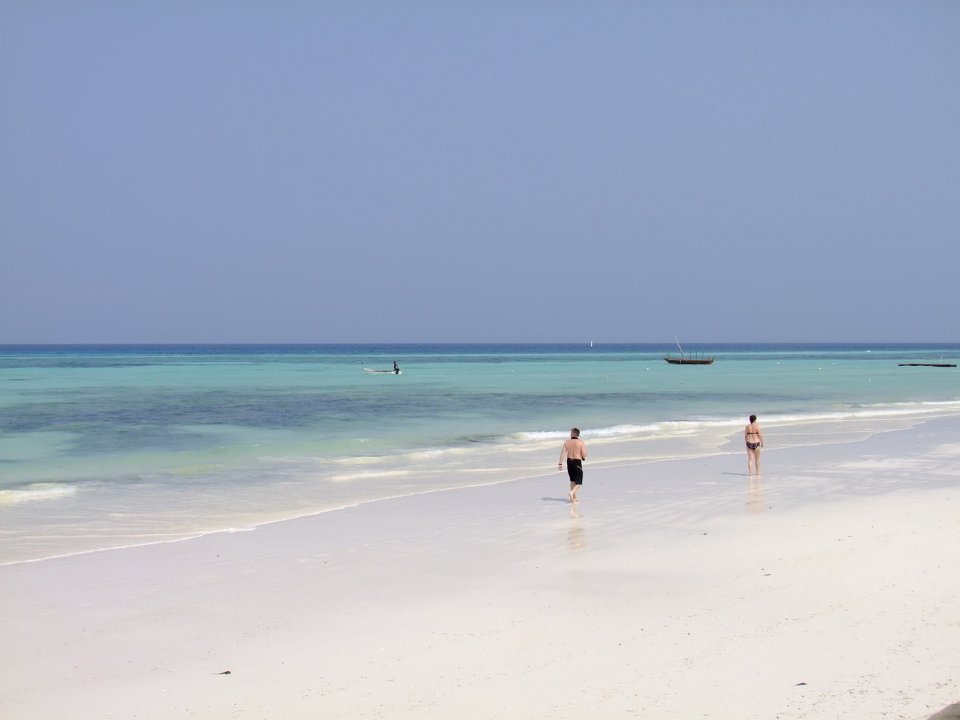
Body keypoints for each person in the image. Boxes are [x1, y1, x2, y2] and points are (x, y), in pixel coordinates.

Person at [558, 428, 588, 503]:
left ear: (573, 433)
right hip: (577, 462)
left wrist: (560, 463)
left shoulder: (567, 442)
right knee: (579, 482)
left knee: (572, 480)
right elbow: (584, 454)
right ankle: (571, 493)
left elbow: (563, 453)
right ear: (578, 435)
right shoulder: (581, 442)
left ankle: (573, 498)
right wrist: (582, 456)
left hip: (569, 462)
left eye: (571, 432)